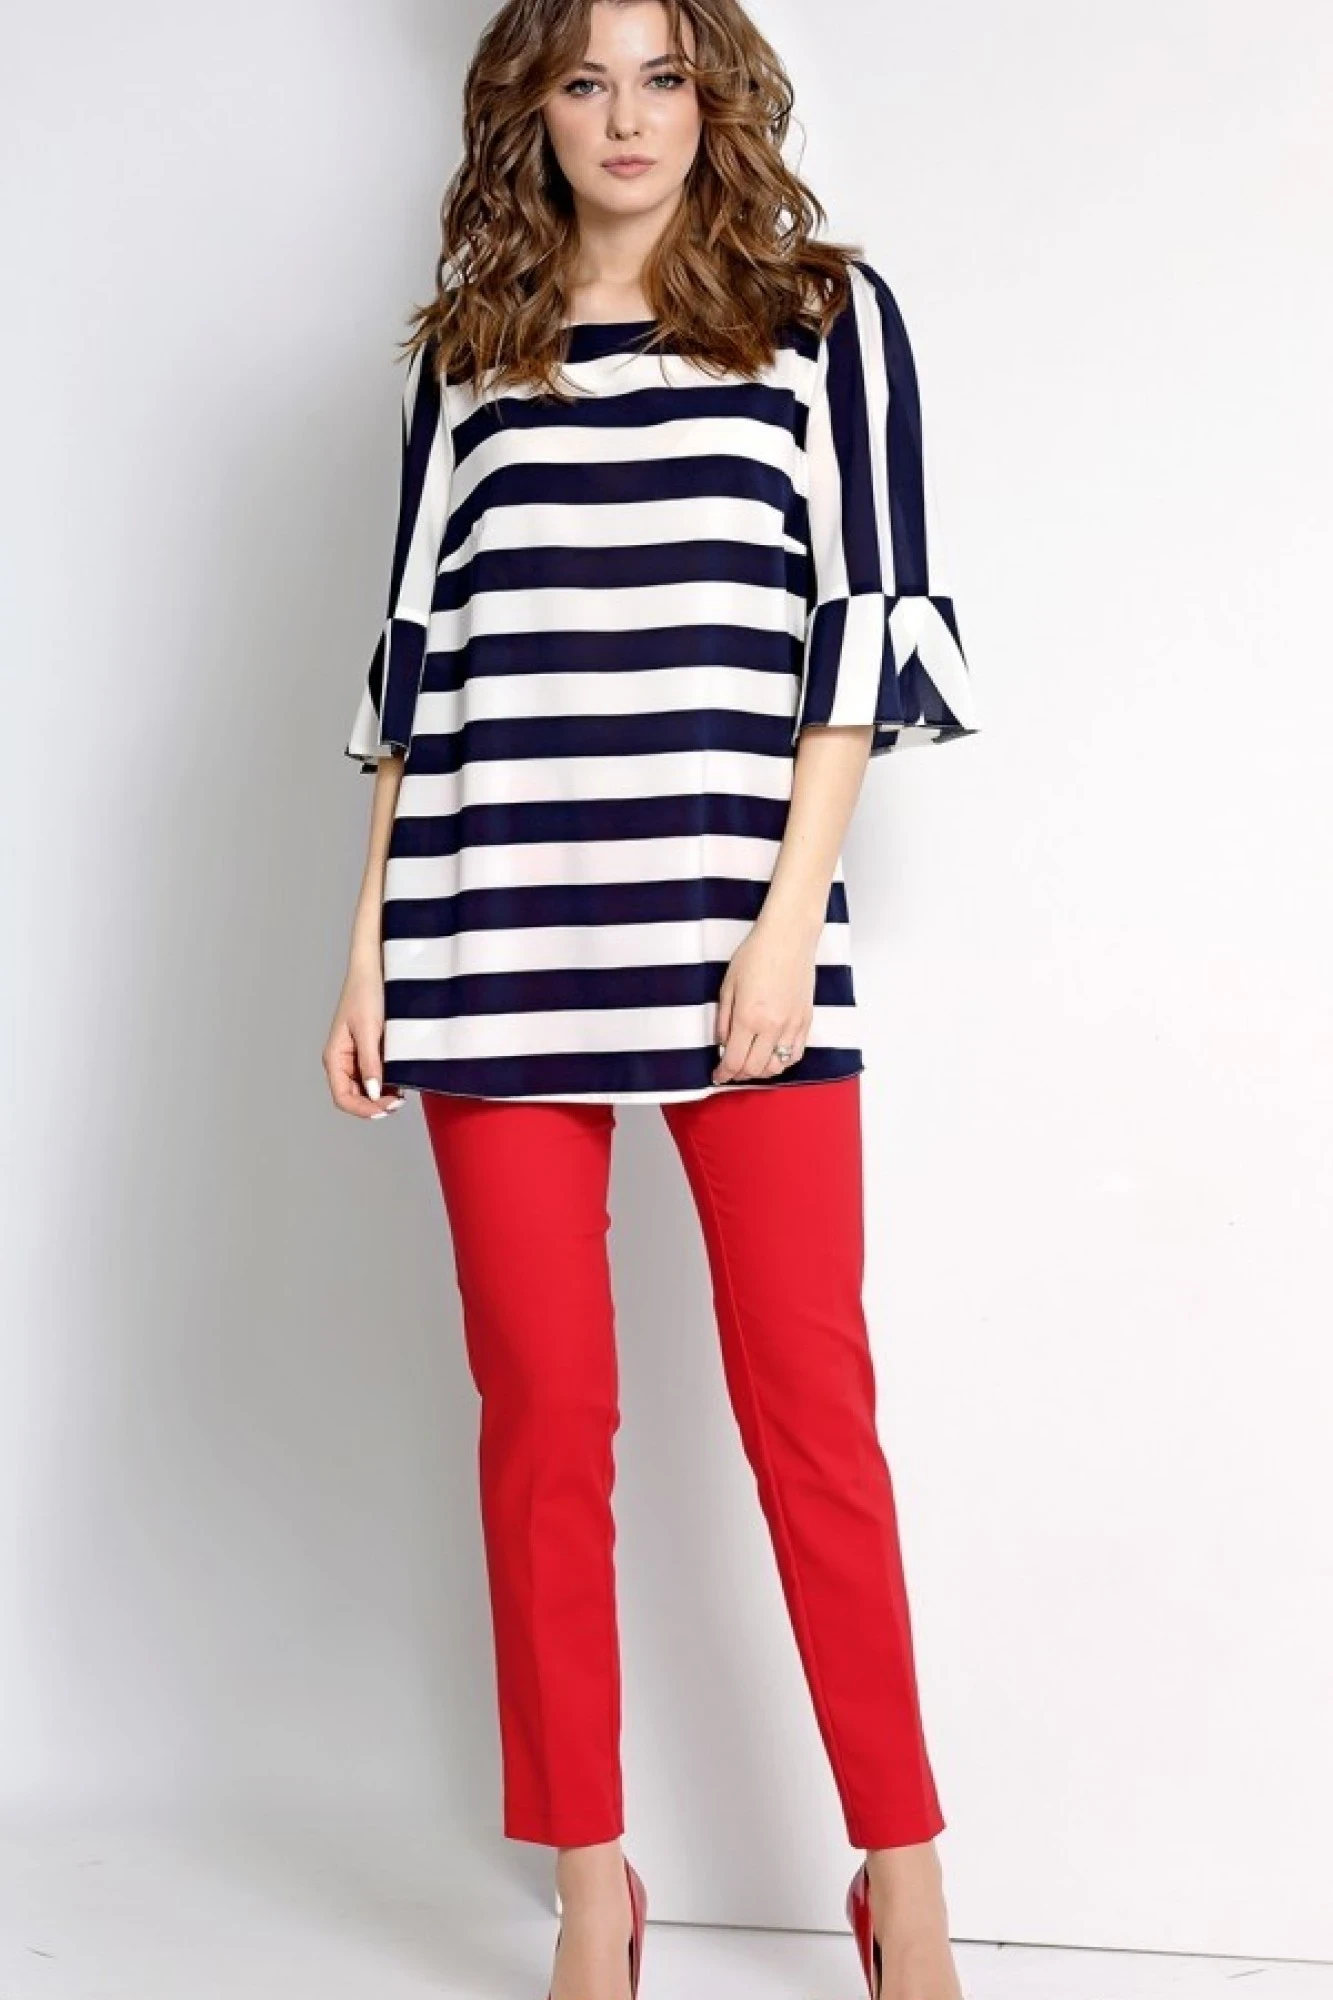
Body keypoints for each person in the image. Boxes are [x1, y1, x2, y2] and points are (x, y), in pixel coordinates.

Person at [323, 2, 979, 1995]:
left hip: (735, 942)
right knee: (545, 1421)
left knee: (813, 1409)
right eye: (586, 78)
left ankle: (905, 1879)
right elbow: (417, 661)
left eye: (665, 75)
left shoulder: (821, 319)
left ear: (720, 93)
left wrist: (785, 924)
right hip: (490, 938)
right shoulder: (472, 350)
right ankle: (594, 1885)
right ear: (531, 104)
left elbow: (866, 627)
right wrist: (367, 944)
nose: (628, 117)